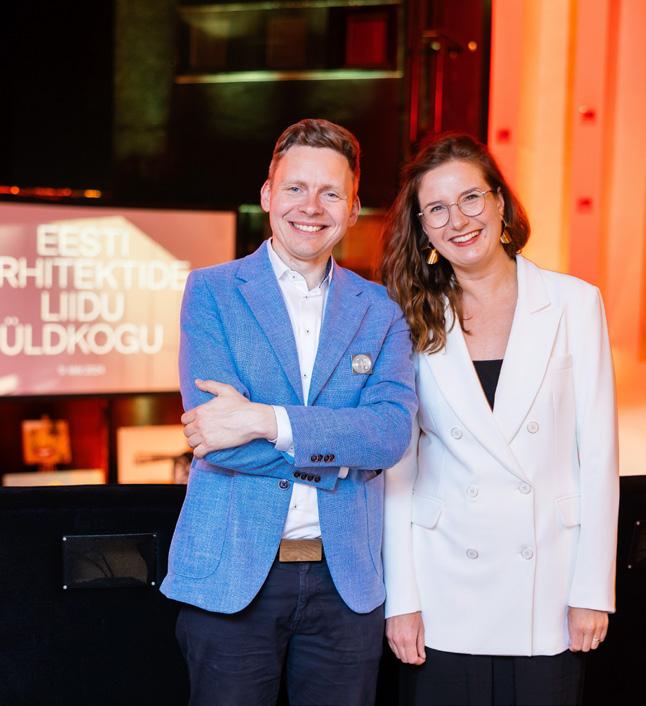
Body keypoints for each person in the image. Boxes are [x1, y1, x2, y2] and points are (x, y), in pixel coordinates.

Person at [160, 118, 417, 706]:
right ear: (267, 195)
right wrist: (342, 459)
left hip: (344, 584)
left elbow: (388, 434)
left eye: (331, 193)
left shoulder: (380, 309)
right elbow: (215, 435)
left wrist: (264, 420)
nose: (312, 207)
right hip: (232, 574)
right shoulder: (212, 291)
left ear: (353, 208)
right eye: (296, 188)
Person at [380, 133, 619, 706]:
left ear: (500, 203)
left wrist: (593, 589)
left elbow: (599, 456)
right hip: (443, 582)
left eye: (470, 198)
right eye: (437, 209)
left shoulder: (574, 303)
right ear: (423, 228)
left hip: (549, 582)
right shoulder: (408, 317)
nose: (458, 220)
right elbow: (398, 469)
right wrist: (402, 600)